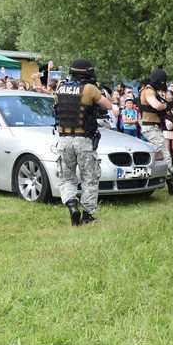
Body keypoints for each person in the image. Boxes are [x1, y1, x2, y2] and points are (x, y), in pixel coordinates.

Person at [55, 59, 112, 226]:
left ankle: (72, 205)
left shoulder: (60, 87)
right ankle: (87, 215)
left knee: (66, 178)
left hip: (63, 139)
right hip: (84, 140)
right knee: (89, 178)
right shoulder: (89, 88)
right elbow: (107, 105)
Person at [139, 68, 173, 192]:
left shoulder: (151, 90)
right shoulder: (148, 91)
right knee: (165, 154)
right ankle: (172, 181)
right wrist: (167, 105)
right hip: (150, 127)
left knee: (157, 155)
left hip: (152, 127)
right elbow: (156, 105)